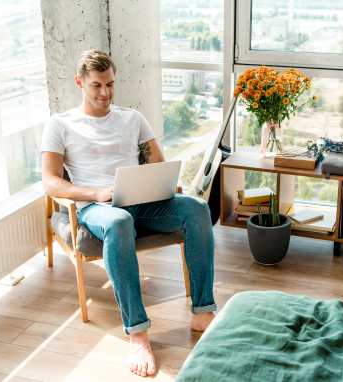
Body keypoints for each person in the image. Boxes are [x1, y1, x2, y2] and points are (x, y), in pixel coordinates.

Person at [40, 49, 216, 377]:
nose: (105, 93)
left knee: (197, 209)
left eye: (110, 84)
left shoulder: (133, 118)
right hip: (97, 207)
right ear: (80, 82)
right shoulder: (60, 124)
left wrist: (158, 181)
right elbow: (50, 183)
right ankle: (137, 333)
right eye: (96, 86)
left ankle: (202, 311)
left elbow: (159, 165)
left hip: (141, 201)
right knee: (119, 220)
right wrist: (97, 193)